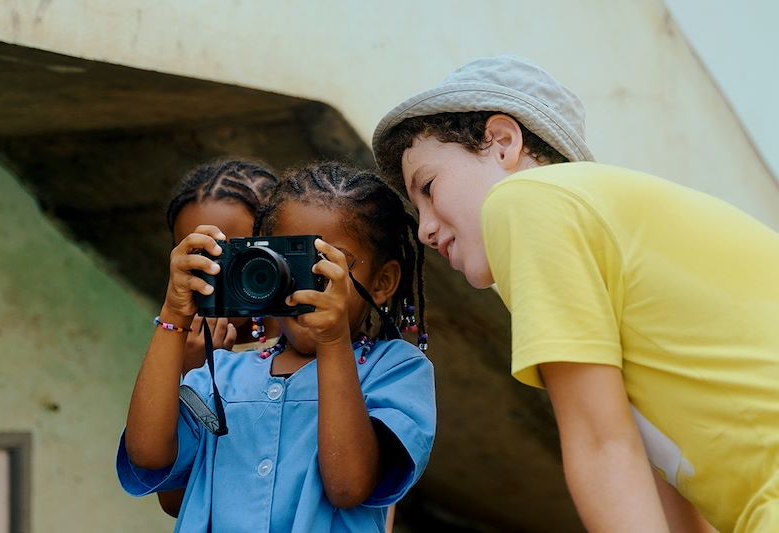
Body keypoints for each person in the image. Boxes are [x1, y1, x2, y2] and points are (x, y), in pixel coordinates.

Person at [372, 55, 779, 532]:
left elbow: (600, 443)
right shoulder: (598, 237)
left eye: (429, 187)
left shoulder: (524, 202)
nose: (424, 229)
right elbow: (664, 489)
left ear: (502, 143)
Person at [117, 161, 436, 532]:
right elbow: (149, 457)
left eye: (327, 265)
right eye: (291, 262)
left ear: (382, 282)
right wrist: (174, 312)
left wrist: (332, 342)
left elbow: (347, 486)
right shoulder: (221, 374)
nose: (304, 284)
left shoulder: (396, 369)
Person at [156, 158, 281, 517]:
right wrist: (190, 374)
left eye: (235, 253)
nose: (215, 270)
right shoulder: (174, 351)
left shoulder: (320, 349)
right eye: (197, 255)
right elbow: (174, 500)